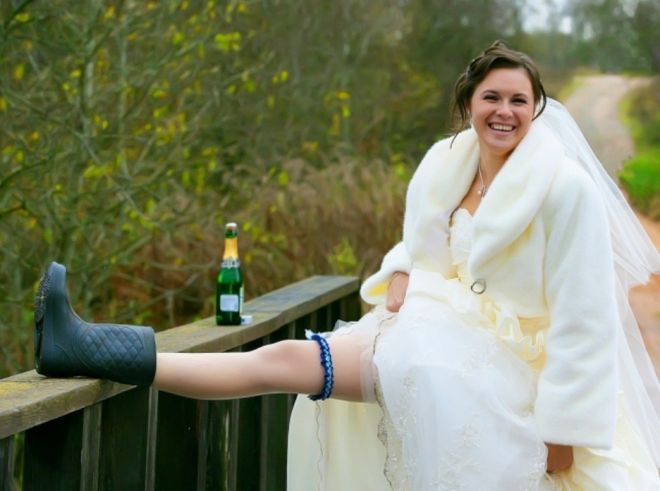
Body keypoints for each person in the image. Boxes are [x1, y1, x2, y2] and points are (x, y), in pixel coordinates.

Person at [34, 41, 660, 490]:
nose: (505, 111)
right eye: (491, 96)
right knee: (282, 363)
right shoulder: (448, 164)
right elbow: (424, 244)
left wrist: (562, 432)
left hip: (515, 373)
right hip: (438, 330)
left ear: (537, 108)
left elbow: (586, 318)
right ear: (468, 102)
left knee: (290, 367)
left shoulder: (563, 188)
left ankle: (86, 345)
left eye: (519, 100)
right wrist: (404, 268)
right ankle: (88, 347)